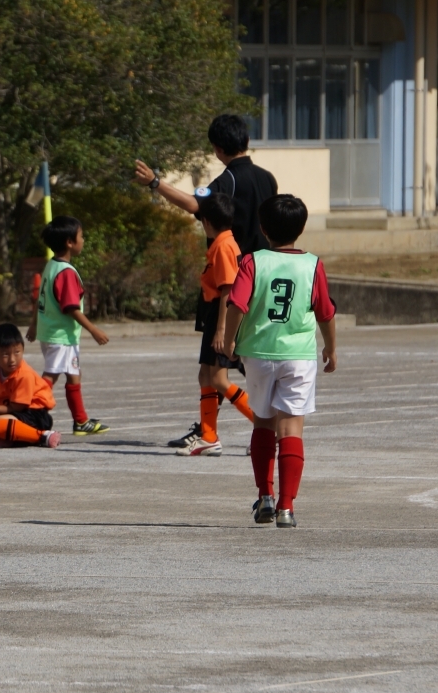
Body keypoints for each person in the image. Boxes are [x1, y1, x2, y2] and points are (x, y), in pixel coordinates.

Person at [221, 195, 337, 528]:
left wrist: (229, 341)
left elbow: (237, 305)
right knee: (291, 428)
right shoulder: (312, 264)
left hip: (258, 353)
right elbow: (325, 312)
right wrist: (331, 348)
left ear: (263, 228)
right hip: (298, 355)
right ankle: (287, 507)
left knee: (263, 422)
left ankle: (265, 496)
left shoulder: (253, 261)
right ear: (301, 229)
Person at [175, 193, 255, 457]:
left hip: (222, 316)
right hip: (214, 316)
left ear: (206, 222)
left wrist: (221, 329)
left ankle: (266, 425)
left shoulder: (223, 246)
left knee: (219, 379)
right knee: (206, 376)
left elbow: (228, 289)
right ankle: (209, 436)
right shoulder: (224, 242)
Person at [133, 114, 278, 257]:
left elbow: (193, 204)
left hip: (238, 266)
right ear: (248, 140)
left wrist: (154, 182)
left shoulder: (228, 180)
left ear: (217, 149)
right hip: (267, 264)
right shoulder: (268, 178)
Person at [24, 216, 110, 435]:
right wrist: (94, 330)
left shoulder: (51, 266)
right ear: (70, 242)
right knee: (51, 375)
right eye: (81, 236)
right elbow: (71, 308)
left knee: (73, 374)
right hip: (60, 336)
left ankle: (80, 421)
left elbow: (41, 299)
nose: (83, 240)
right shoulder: (66, 272)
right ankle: (30, 414)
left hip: (53, 333)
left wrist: (34, 325)